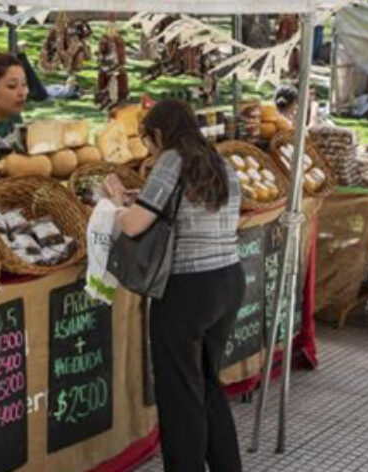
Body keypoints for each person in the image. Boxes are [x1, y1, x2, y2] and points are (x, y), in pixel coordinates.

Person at [103, 100, 246, 472]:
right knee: (209, 384)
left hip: (186, 290)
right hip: (228, 281)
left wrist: (113, 206)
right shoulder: (220, 162)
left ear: (160, 134)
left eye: (147, 139)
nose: (148, 148)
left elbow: (133, 225)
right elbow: (191, 209)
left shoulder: (171, 159)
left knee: (179, 393)